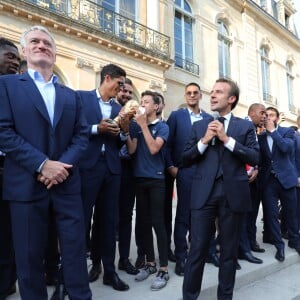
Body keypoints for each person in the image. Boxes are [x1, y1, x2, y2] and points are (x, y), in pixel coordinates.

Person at [0, 25, 91, 300]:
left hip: (66, 185)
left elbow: (82, 134)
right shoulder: (6, 86)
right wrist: (42, 164)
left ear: (55, 53)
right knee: (28, 258)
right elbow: (3, 131)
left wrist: (60, 167)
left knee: (75, 253)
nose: (42, 45)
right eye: (35, 42)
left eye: (47, 43)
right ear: (25, 51)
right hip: (25, 187)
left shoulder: (71, 95)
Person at [182, 78, 260, 300]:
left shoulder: (244, 127)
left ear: (232, 99)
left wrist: (226, 140)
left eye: (218, 92)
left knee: (228, 252)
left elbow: (255, 157)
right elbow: (185, 159)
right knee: (196, 251)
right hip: (203, 195)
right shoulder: (199, 126)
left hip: (232, 195)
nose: (212, 95)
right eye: (212, 91)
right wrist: (205, 140)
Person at [78, 63, 130, 291]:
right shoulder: (81, 99)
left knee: (109, 222)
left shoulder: (119, 109)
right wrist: (95, 129)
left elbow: (120, 141)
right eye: (119, 84)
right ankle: (74, 273)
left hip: (111, 170)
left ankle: (109, 272)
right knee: (80, 222)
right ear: (107, 78)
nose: (121, 91)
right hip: (87, 168)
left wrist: (125, 129)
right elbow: (72, 128)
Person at [166, 82, 212, 276]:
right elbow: (167, 145)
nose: (192, 96)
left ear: (201, 95)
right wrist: (171, 167)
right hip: (185, 171)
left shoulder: (209, 118)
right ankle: (181, 257)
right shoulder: (177, 116)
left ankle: (202, 252)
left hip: (206, 173)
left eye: (195, 93)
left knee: (203, 214)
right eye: (189, 93)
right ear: (185, 96)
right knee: (184, 215)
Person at [127, 90, 170, 291]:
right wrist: (127, 129)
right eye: (141, 101)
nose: (142, 104)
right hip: (139, 179)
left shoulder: (163, 127)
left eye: (146, 102)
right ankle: (150, 264)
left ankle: (163, 269)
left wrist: (143, 125)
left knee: (157, 223)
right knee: (143, 224)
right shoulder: (136, 125)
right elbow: (132, 150)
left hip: (156, 180)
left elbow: (154, 148)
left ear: (156, 106)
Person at [258, 107, 300, 262]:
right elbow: (261, 159)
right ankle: (279, 245)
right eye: (266, 115)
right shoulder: (261, 137)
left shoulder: (287, 132)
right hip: (269, 182)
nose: (268, 117)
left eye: (271, 115)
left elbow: (286, 148)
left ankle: (295, 240)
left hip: (287, 179)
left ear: (276, 118)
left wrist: (273, 132)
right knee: (271, 214)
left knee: (291, 213)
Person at [0, 37, 20, 300]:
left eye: (17, 58)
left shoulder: (17, 91)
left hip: (11, 169)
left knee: (7, 234)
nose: (15, 61)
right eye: (10, 56)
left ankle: (5, 285)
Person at [237, 103, 266, 265]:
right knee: (242, 216)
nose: (264, 116)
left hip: (253, 179)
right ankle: (243, 249)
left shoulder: (254, 129)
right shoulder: (243, 126)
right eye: (262, 112)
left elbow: (254, 153)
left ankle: (249, 243)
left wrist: (256, 168)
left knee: (251, 214)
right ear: (252, 112)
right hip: (242, 180)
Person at [117, 78, 140, 275]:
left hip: (128, 174)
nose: (126, 95)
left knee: (125, 217)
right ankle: (98, 263)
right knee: (102, 218)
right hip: (106, 172)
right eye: (123, 91)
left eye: (129, 93)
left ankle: (124, 259)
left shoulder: (136, 123)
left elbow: (134, 151)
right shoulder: (106, 113)